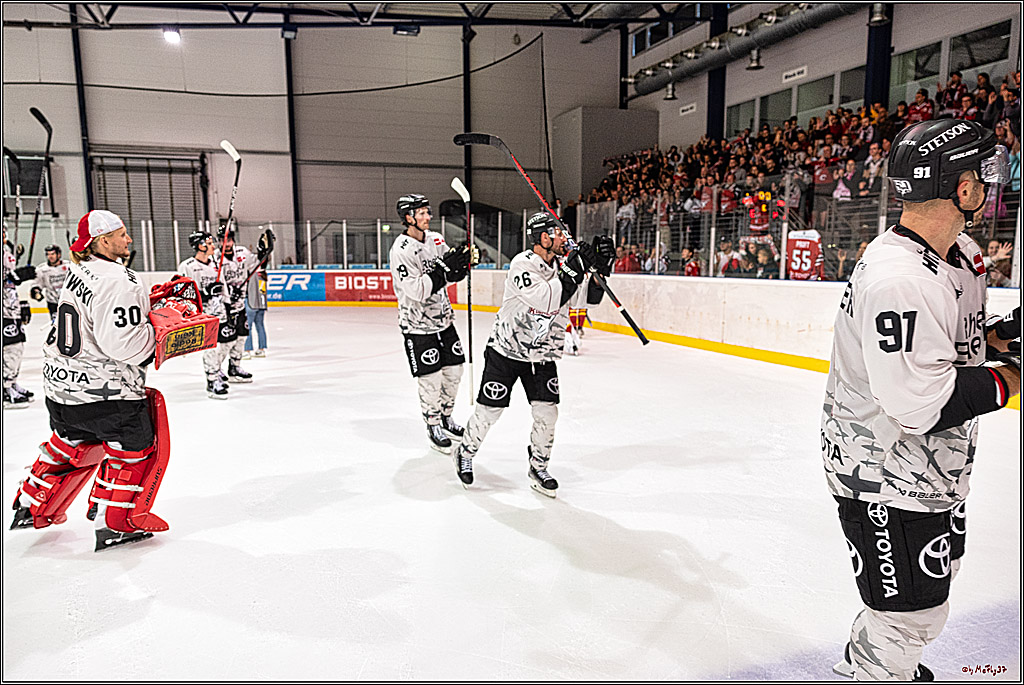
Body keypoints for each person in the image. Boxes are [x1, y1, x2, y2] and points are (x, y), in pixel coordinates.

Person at [823, 119, 1019, 681]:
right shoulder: (901, 278)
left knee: (920, 592)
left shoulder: (955, 253)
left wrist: (1006, 337)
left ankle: (877, 663)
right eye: (982, 173)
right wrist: (1015, 378)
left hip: (928, 468)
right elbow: (920, 403)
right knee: (912, 612)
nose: (989, 183)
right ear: (961, 188)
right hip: (885, 469)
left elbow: (953, 343)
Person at [10, 210, 174, 550]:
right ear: (102, 241)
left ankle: (31, 505)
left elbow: (98, 314)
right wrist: (161, 336)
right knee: (138, 448)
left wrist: (146, 305)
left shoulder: (77, 271)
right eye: (122, 234)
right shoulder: (121, 280)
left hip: (60, 391)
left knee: (72, 443)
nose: (128, 240)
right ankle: (114, 521)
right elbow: (124, 344)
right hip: (106, 395)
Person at [452, 212, 598, 497]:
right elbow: (546, 300)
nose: (563, 238)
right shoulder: (522, 264)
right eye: (557, 234)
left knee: (547, 414)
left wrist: (597, 271)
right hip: (506, 351)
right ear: (544, 237)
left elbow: (585, 301)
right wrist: (572, 269)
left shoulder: (562, 267)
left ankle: (538, 466)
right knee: (489, 411)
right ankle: (465, 451)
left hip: (542, 356)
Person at [388, 194, 473, 453]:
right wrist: (444, 272)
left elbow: (449, 271)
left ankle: (447, 416)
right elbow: (417, 290)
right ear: (408, 217)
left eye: (427, 211)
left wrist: (463, 264)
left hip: (444, 321)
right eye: (421, 213)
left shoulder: (436, 239)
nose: (427, 217)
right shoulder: (401, 250)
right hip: (417, 326)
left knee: (455, 372)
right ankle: (433, 423)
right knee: (430, 379)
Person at [178, 230, 232, 398]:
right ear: (199, 246)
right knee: (212, 348)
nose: (212, 246)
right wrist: (205, 293)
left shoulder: (216, 264)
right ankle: (212, 379)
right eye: (208, 244)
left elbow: (224, 287)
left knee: (227, 343)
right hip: (204, 315)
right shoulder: (187, 266)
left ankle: (216, 368)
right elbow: (182, 292)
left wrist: (228, 307)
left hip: (220, 312)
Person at [3, 226, 36, 408]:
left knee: (17, 347)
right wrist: (15, 276)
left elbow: (11, 285)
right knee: (10, 349)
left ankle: (11, 383)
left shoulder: (6, 253)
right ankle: (5, 389)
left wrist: (22, 304)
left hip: (11, 309)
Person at [32, 244, 70, 324]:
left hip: (69, 301)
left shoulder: (68, 266)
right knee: (57, 326)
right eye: (48, 254)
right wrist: (36, 292)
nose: (50, 256)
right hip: (53, 302)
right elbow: (37, 284)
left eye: (52, 254)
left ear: (59, 254)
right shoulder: (42, 269)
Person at [243, 265, 268, 358]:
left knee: (247, 326)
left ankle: (247, 350)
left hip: (251, 303)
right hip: (261, 304)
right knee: (260, 325)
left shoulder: (252, 275)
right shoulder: (263, 275)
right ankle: (261, 349)